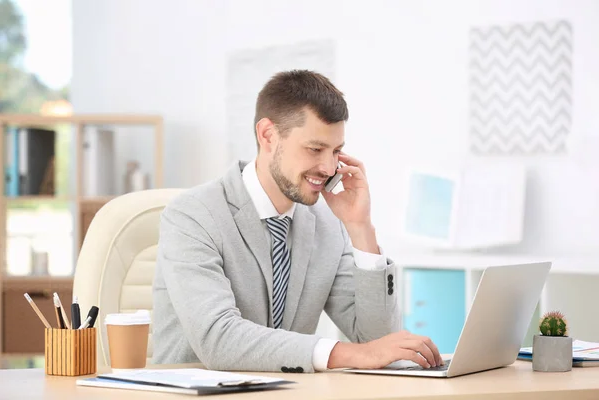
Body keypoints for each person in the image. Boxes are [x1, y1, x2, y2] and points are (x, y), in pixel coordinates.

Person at [152, 70, 442, 373]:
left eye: (337, 151)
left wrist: (360, 228)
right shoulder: (191, 216)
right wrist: (348, 354)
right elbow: (218, 339)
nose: (329, 167)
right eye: (315, 149)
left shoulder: (328, 224)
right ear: (268, 136)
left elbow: (378, 343)